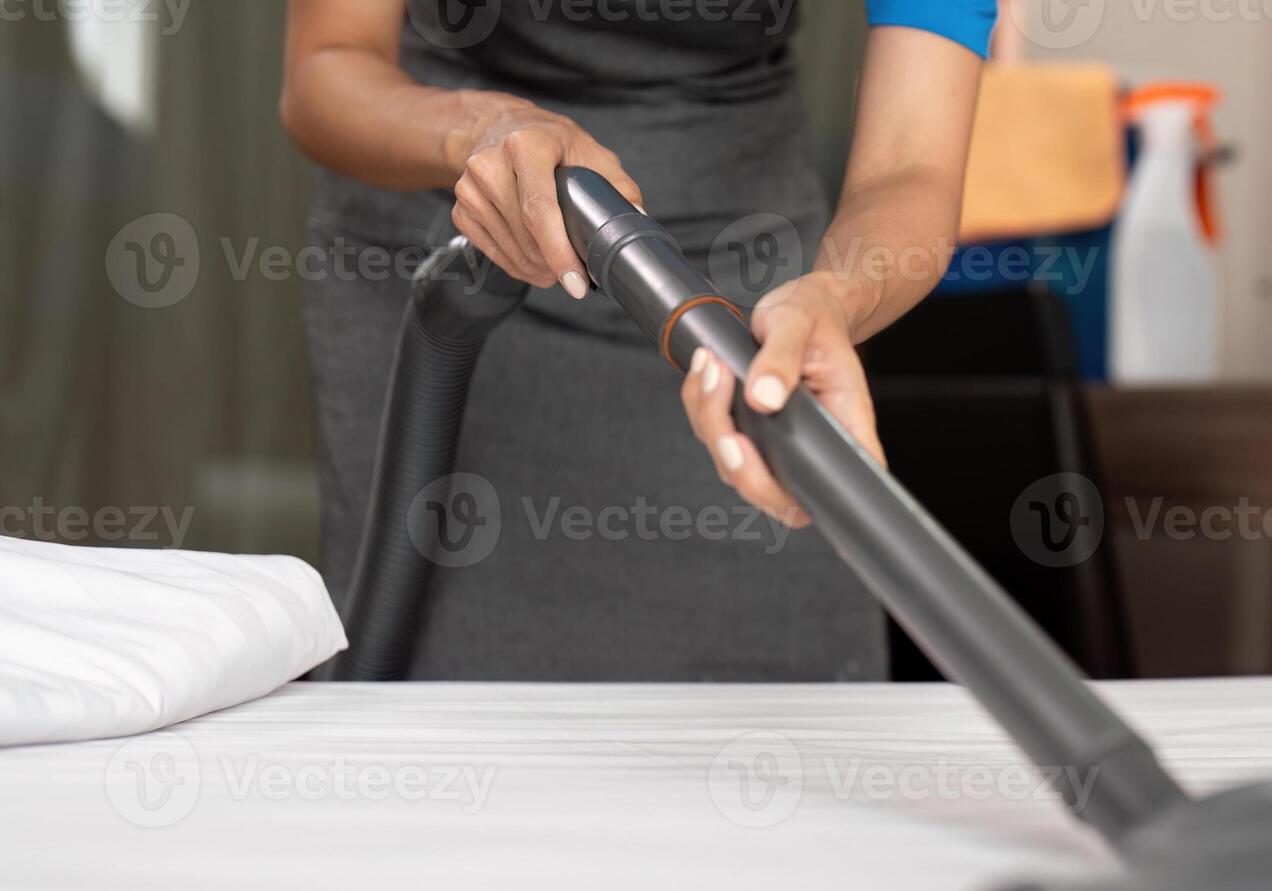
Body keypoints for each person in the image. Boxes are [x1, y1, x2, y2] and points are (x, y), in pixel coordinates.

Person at [281, 1, 994, 681]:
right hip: (460, 218)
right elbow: (327, 65)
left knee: (782, 707)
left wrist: (834, 298)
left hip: (736, 253)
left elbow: (914, 164)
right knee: (451, 731)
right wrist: (483, 130)